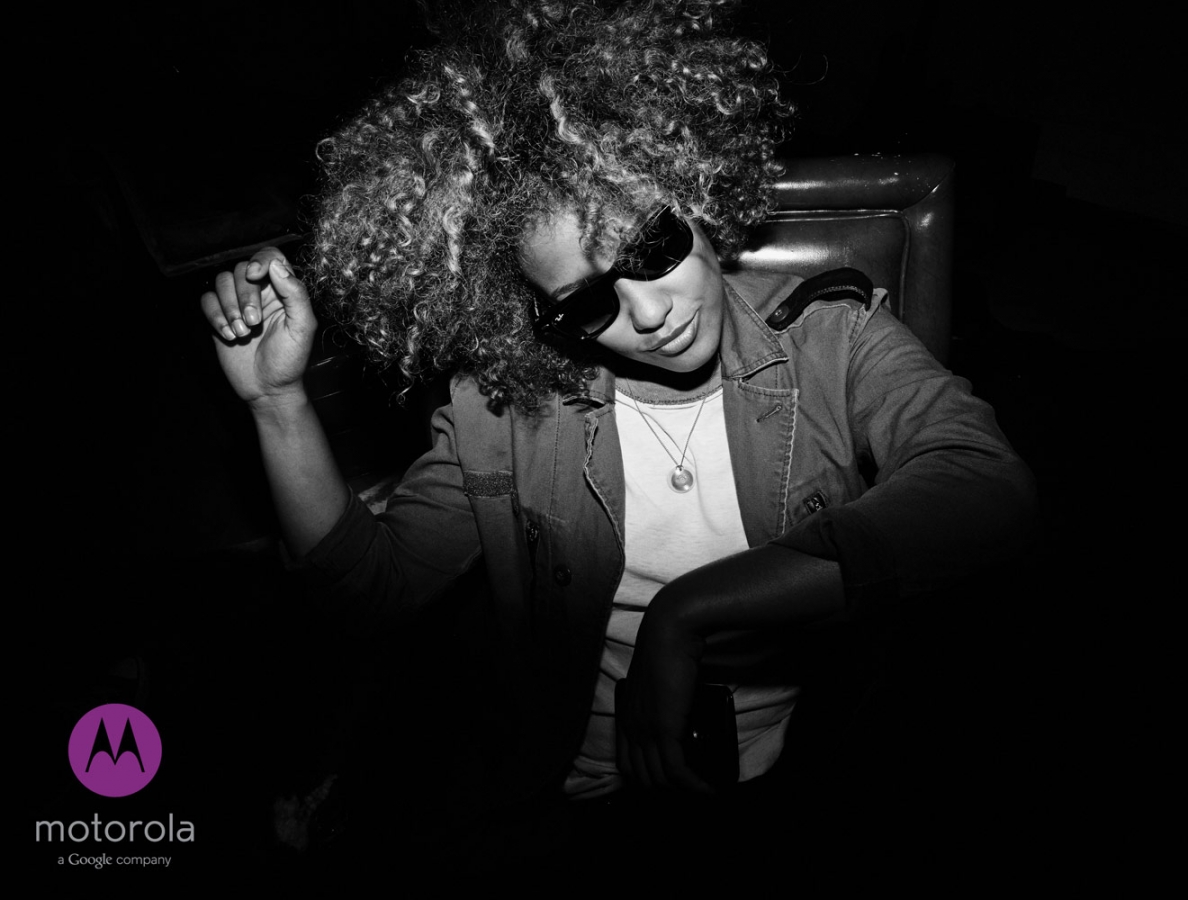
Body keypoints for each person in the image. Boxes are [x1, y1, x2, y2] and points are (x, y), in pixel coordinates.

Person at [201, 0, 1035, 858]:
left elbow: (988, 489)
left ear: (694, 189)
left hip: (792, 774)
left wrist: (688, 613)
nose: (648, 313)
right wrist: (277, 404)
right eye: (587, 302)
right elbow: (368, 593)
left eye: (651, 248)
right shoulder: (506, 407)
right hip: (558, 785)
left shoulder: (835, 340)